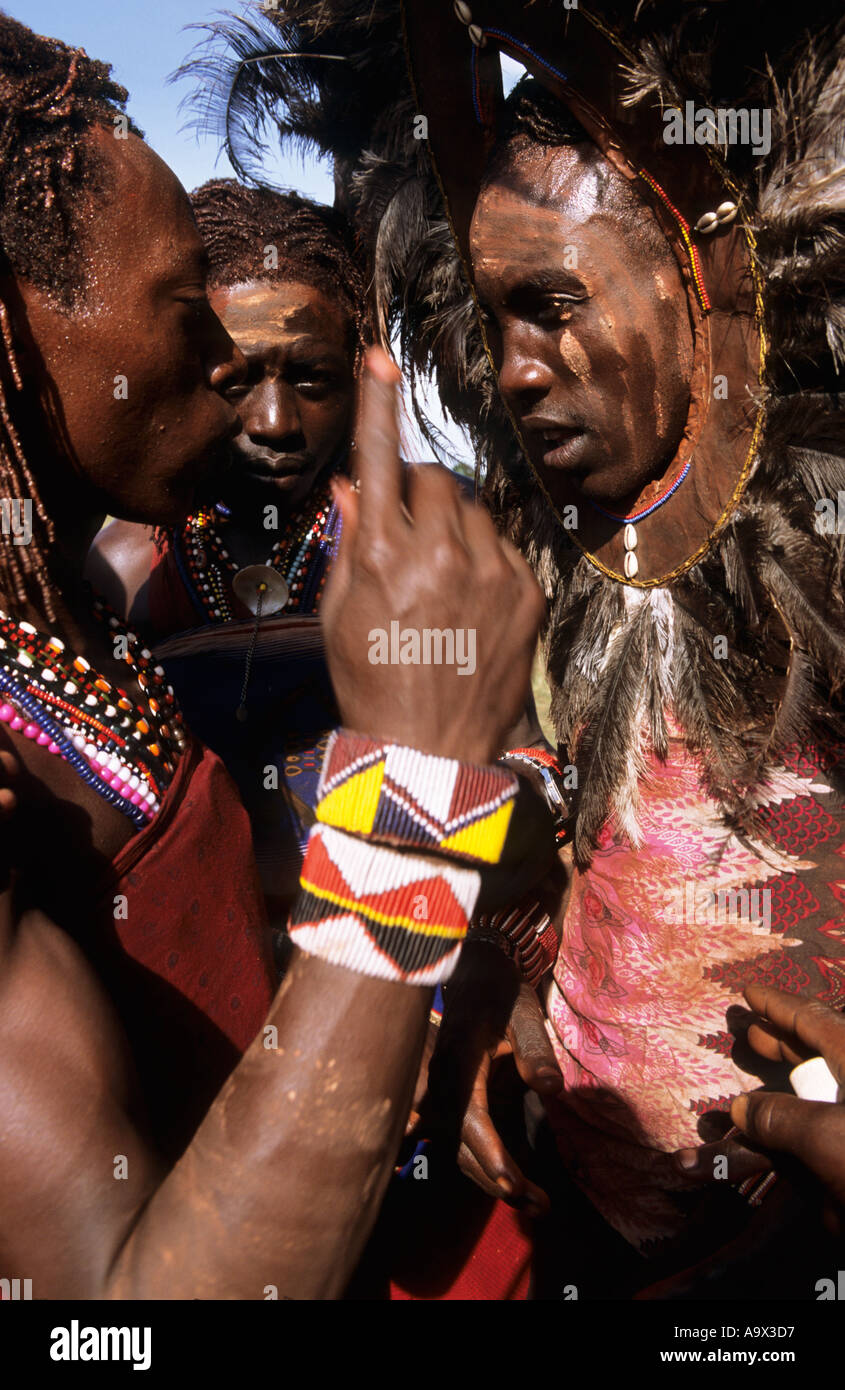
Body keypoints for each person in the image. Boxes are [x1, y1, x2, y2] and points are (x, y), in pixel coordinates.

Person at [203, 0, 845, 1298]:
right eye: (495, 321)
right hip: (590, 1237)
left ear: (700, 283)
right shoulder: (552, 554)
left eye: (554, 305)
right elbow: (569, 796)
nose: (516, 371)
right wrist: (499, 962)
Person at [0, 14, 545, 1299]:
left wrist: (453, 996)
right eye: (186, 311)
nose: (225, 370)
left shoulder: (64, 612)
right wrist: (414, 789)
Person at [88, 180, 367, 923]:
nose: (274, 423)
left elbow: (519, 774)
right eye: (237, 380)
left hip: (400, 950)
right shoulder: (120, 569)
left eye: (312, 379)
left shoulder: (412, 550)